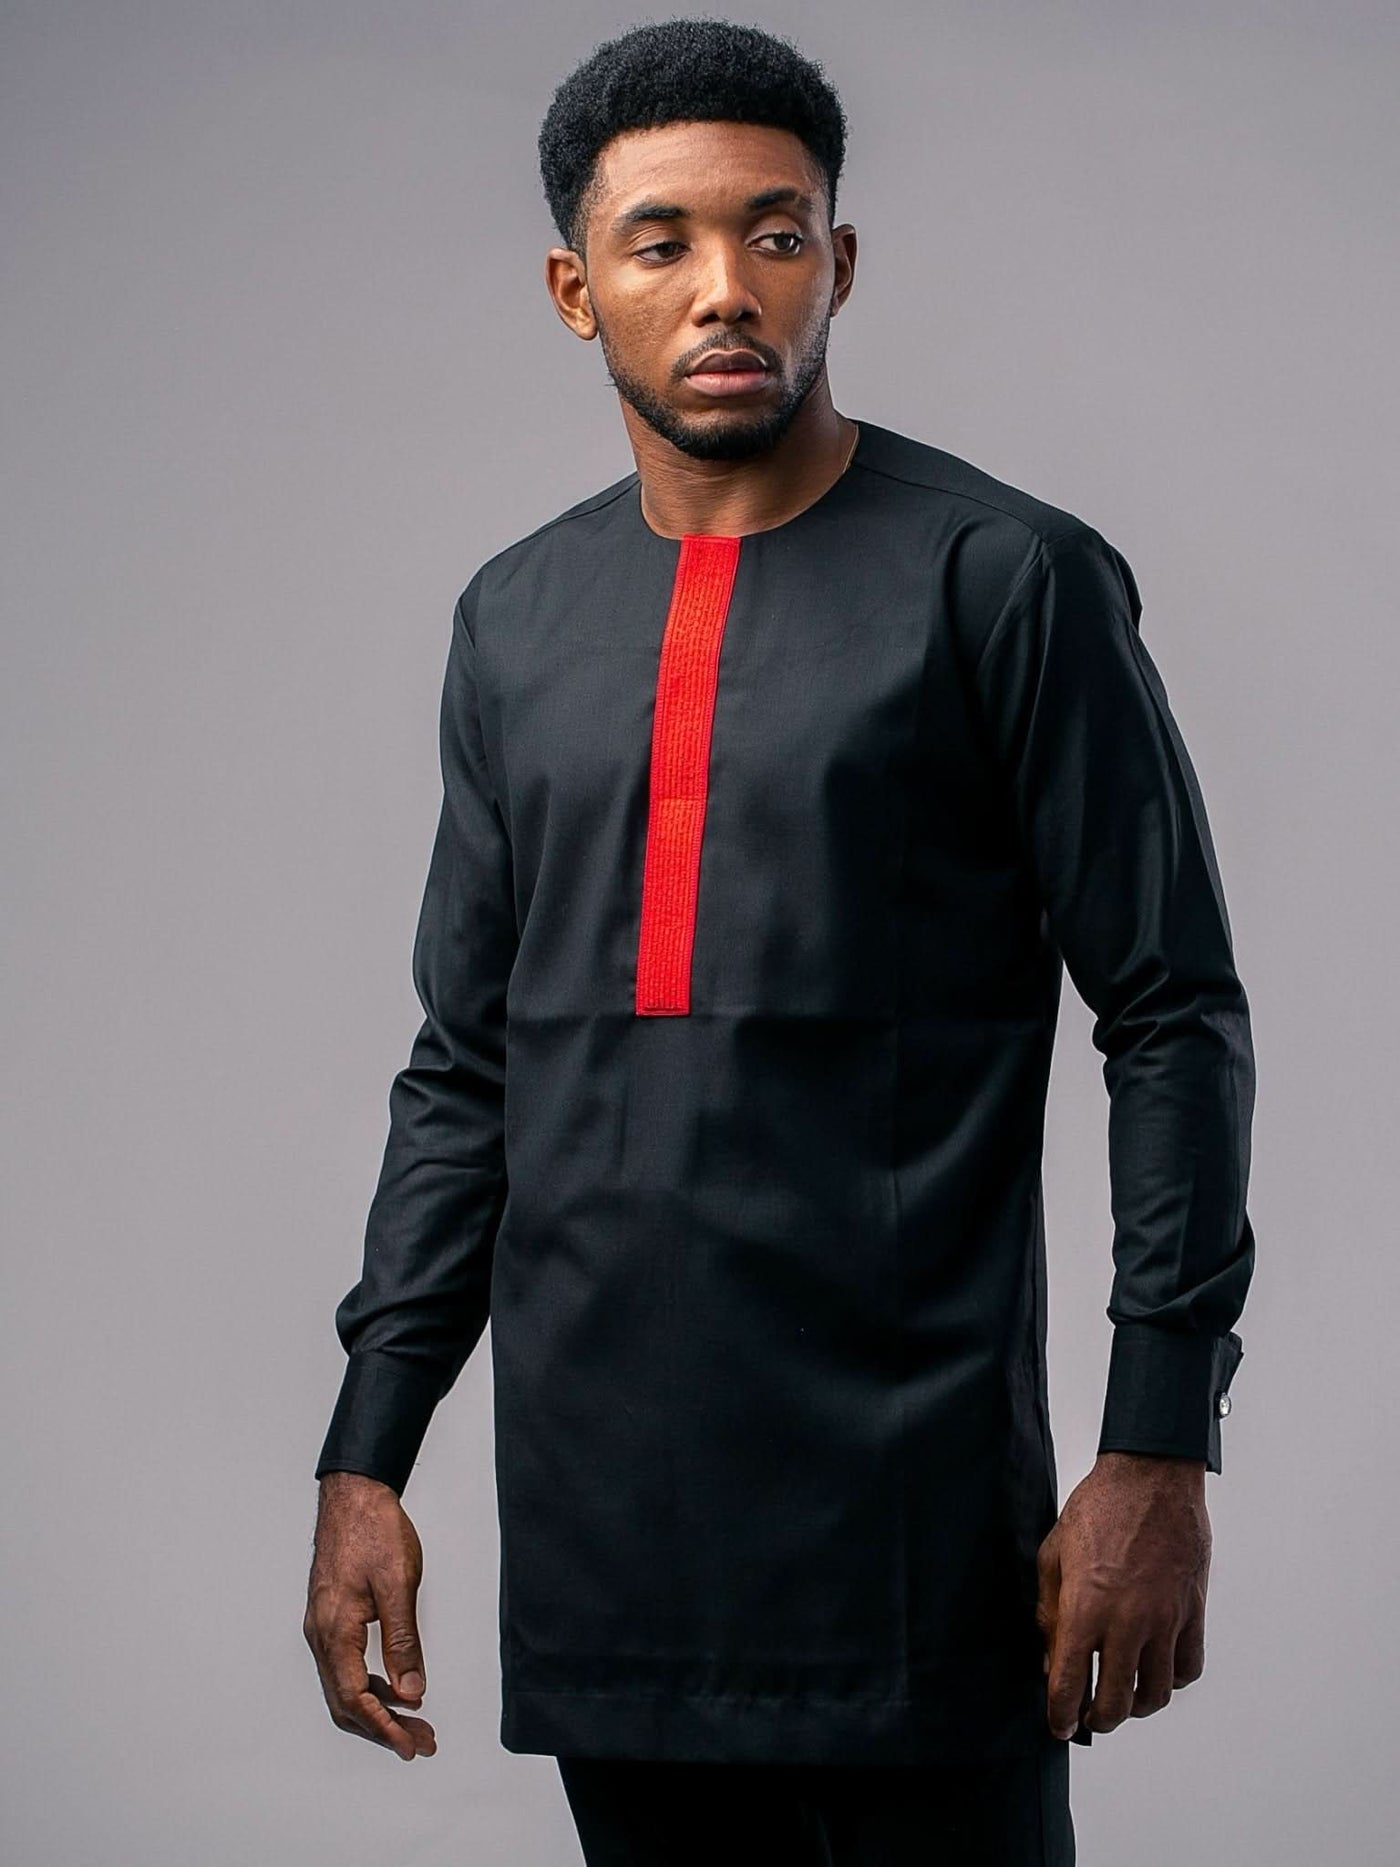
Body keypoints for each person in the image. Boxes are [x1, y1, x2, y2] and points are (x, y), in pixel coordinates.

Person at [303, 19, 1257, 1864]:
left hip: (912, 1521)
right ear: (578, 291)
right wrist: (367, 1451)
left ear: (840, 261)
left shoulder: (1005, 578)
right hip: (600, 1527)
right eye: (661, 242)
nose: (725, 287)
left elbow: (1172, 1012)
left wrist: (1158, 1441)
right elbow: (468, 1067)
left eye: (776, 231)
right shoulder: (515, 618)